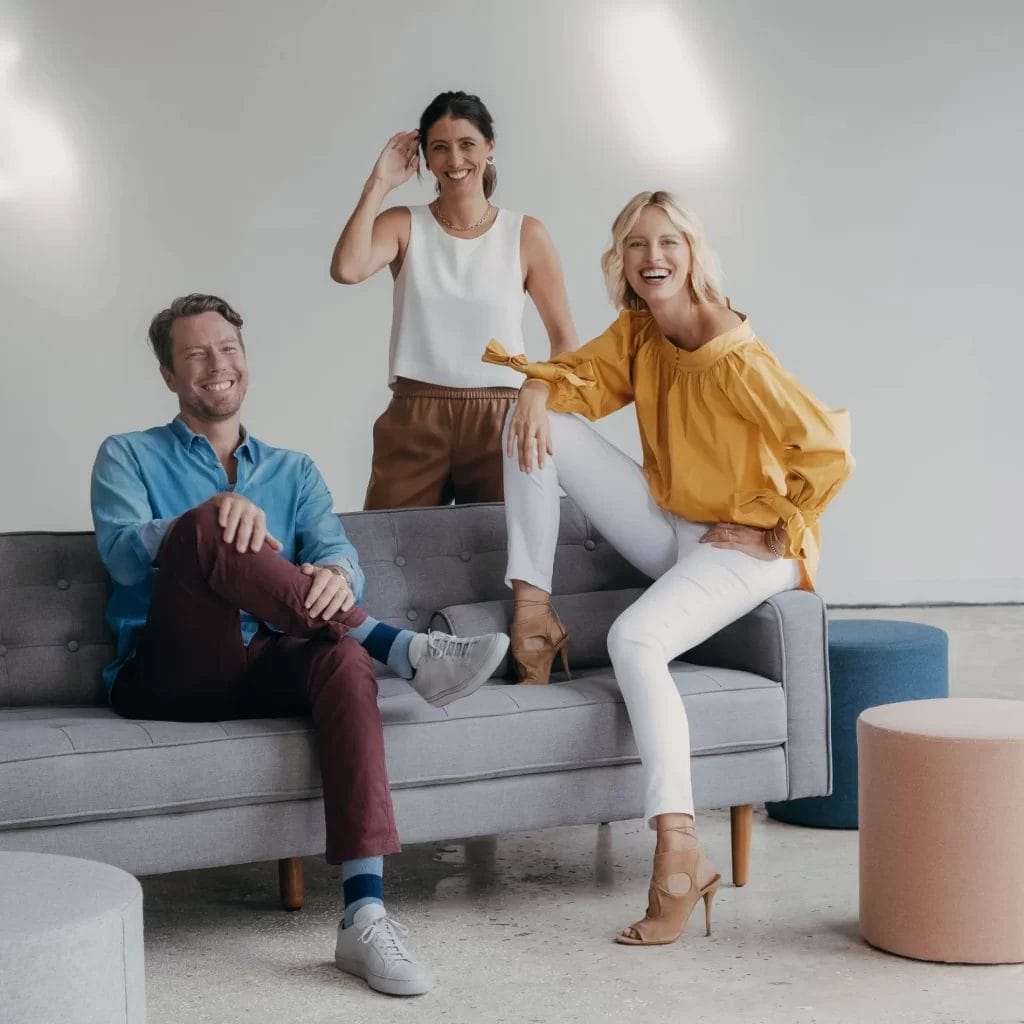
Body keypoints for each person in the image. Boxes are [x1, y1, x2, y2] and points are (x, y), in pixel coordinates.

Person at [91, 293, 510, 996]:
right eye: (195, 354)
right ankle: (399, 647)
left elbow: (340, 553)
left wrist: (335, 575)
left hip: (268, 661)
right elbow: (124, 559)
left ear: (245, 359)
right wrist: (207, 520)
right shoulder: (126, 455)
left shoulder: (294, 470)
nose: (216, 365)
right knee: (209, 524)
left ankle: (363, 915)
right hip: (169, 671)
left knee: (342, 660)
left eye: (228, 349)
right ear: (168, 374)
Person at [483, 191, 854, 945]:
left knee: (634, 639)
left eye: (668, 244)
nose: (652, 258)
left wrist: (781, 530)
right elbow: (576, 377)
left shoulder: (734, 354)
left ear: (692, 255)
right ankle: (534, 615)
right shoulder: (641, 332)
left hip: (743, 548)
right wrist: (535, 383)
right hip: (674, 524)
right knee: (535, 421)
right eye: (636, 244)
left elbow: (828, 450)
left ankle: (680, 853)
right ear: (619, 259)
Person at [330, 89, 576, 509]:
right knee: (390, 539)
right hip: (415, 412)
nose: (455, 159)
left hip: (502, 415)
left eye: (467, 144)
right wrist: (379, 184)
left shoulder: (525, 234)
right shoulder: (404, 224)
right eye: (440, 148)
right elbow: (347, 270)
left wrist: (536, 393)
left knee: (501, 543)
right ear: (425, 157)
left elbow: (566, 342)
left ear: (490, 146)